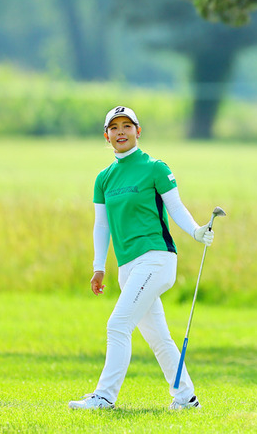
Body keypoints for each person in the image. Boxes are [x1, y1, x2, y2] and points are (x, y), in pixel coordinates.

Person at [69, 105, 215, 410]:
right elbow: (102, 224)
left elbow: (175, 207)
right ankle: (186, 398)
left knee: (117, 325)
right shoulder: (104, 178)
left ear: (138, 131)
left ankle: (105, 397)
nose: (121, 132)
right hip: (128, 268)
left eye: (127, 126)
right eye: (114, 128)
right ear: (106, 136)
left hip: (156, 259)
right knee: (158, 337)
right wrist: (99, 267)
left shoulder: (155, 168)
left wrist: (196, 231)